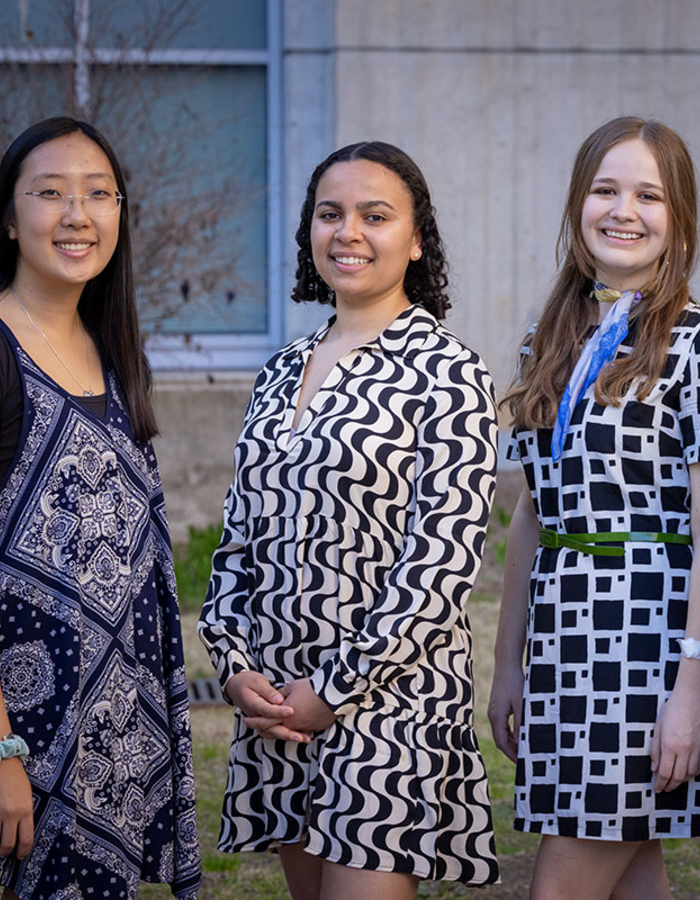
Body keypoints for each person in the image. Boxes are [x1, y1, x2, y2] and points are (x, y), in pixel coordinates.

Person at [0, 118, 201, 899]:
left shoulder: (110, 350)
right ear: (9, 217)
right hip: (14, 718)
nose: (78, 214)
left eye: (99, 194)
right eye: (50, 193)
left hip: (106, 723)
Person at [198, 141, 499, 899]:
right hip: (277, 699)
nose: (348, 232)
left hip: (387, 704)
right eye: (330, 214)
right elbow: (239, 540)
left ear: (417, 237)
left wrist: (333, 688)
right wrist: (235, 669)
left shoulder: (448, 370)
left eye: (375, 215)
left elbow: (442, 566)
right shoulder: (280, 369)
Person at [489, 116, 700, 900]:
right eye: (605, 190)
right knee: (635, 875)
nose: (622, 210)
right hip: (563, 644)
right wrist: (507, 665)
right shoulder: (549, 339)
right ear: (578, 205)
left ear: (681, 219)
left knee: (563, 884)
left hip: (644, 649)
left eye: (649, 195)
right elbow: (535, 516)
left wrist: (694, 688)